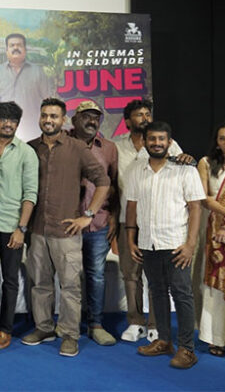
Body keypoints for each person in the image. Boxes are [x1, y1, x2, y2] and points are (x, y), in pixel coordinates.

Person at [21, 98, 110, 358]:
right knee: (40, 284)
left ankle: (70, 334)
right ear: (40, 118)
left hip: (67, 231)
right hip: (38, 229)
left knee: (70, 286)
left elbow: (103, 181)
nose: (48, 120)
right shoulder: (31, 148)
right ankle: (44, 328)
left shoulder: (76, 148)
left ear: (63, 120)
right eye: (45, 115)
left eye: (54, 116)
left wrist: (88, 215)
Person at [112, 98, 193, 342]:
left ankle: (156, 325)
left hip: (159, 221)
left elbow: (182, 169)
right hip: (128, 220)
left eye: (148, 113)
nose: (145, 118)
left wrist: (187, 158)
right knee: (131, 274)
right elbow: (112, 185)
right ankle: (135, 322)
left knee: (157, 278)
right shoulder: (116, 147)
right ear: (128, 121)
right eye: (139, 114)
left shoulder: (169, 144)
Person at [126, 121, 203, 369]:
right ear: (145, 141)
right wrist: (130, 239)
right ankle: (164, 341)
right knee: (157, 292)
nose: (157, 143)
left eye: (161, 139)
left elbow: (195, 207)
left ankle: (187, 349)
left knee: (182, 294)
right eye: (152, 139)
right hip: (148, 243)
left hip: (176, 244)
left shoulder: (185, 170)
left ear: (169, 142)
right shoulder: (136, 169)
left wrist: (190, 244)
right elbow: (131, 205)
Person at [0, 101, 38, 350]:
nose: (8, 124)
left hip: (12, 226)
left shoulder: (26, 153)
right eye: (3, 119)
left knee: (10, 280)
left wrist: (21, 228)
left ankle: (5, 328)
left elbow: (30, 194)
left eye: (13, 120)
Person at [69, 100, 119, 346]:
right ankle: (69, 325)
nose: (91, 121)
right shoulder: (63, 143)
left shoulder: (108, 148)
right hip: (67, 224)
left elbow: (116, 185)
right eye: (86, 116)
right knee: (68, 276)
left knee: (96, 275)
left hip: (98, 223)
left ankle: (95, 324)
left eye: (96, 117)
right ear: (74, 120)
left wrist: (115, 219)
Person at [197, 120, 225, 360]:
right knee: (217, 284)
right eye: (222, 138)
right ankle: (219, 338)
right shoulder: (206, 163)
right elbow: (204, 198)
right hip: (215, 235)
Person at [0, 33, 53, 126]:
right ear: (6, 50)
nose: (16, 48)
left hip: (32, 126)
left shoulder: (38, 71)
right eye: (12, 45)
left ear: (25, 50)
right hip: (4, 126)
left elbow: (47, 100)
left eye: (19, 45)